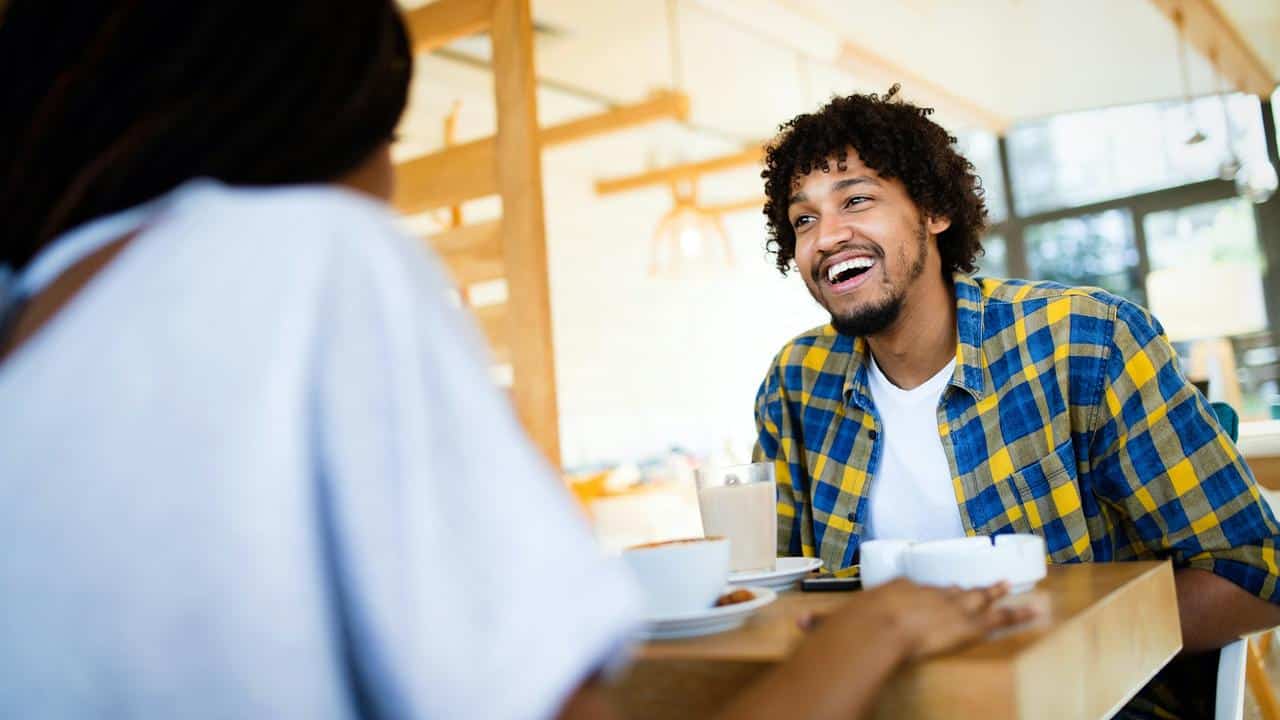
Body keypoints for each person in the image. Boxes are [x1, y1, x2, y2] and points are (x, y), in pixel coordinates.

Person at [0, 4, 1031, 718]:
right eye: (804, 214)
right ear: (323, 117)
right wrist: (874, 632)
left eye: (857, 200)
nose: (392, 181)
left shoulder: (31, 339)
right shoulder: (313, 255)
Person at [752, 85, 1280, 718]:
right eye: (804, 218)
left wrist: (1045, 646)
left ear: (933, 212)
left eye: (856, 200)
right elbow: (771, 595)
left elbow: (1256, 575)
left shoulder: (1087, 342)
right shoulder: (794, 382)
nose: (827, 236)